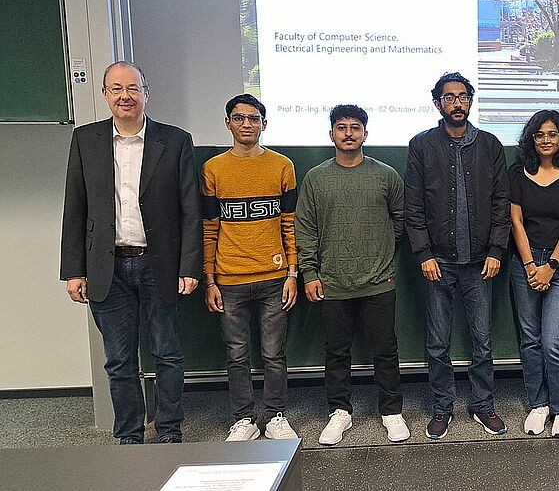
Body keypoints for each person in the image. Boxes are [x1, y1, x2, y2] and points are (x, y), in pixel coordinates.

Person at [60, 60, 201, 444]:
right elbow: (76, 206)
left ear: (145, 95)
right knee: (119, 361)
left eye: (133, 88)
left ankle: (170, 431)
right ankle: (129, 436)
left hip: (160, 265)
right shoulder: (86, 140)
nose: (125, 96)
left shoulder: (175, 140)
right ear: (105, 95)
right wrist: (74, 270)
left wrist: (190, 266)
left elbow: (191, 209)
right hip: (108, 268)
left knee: (168, 354)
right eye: (117, 88)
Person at [296, 104, 410, 445]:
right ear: (331, 133)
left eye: (355, 127)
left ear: (365, 133)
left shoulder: (386, 174)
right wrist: (310, 273)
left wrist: (383, 255)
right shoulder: (316, 177)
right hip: (331, 283)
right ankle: (340, 412)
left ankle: (391, 411)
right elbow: (305, 228)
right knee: (336, 351)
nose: (349, 132)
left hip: (379, 280)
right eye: (342, 127)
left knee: (385, 349)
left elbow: (400, 221)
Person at [405, 72, 510, 439]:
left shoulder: (490, 145)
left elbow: (501, 204)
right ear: (438, 103)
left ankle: (483, 405)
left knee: (482, 342)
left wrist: (497, 249)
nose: (457, 103)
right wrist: (423, 254)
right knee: (437, 343)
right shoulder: (421, 146)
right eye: (449, 97)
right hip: (438, 262)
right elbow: (413, 206)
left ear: (470, 101)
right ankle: (442, 407)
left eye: (463, 97)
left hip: (481, 263)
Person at [201, 94, 299, 442]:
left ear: (264, 124)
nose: (247, 124)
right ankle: (244, 419)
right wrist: (209, 280)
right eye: (239, 118)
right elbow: (209, 227)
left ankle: (274, 416)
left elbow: (290, 223)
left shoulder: (282, 166)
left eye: (254, 118)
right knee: (236, 354)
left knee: (274, 354)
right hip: (229, 281)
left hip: (275, 279)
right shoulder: (213, 169)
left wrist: (292, 274)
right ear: (228, 123)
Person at [507, 110, 559, 438]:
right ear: (531, 138)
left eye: (552, 134)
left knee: (553, 339)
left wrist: (551, 266)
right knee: (530, 339)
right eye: (539, 135)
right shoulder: (517, 173)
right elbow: (516, 222)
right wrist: (530, 265)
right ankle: (538, 405)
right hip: (523, 262)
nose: (545, 140)